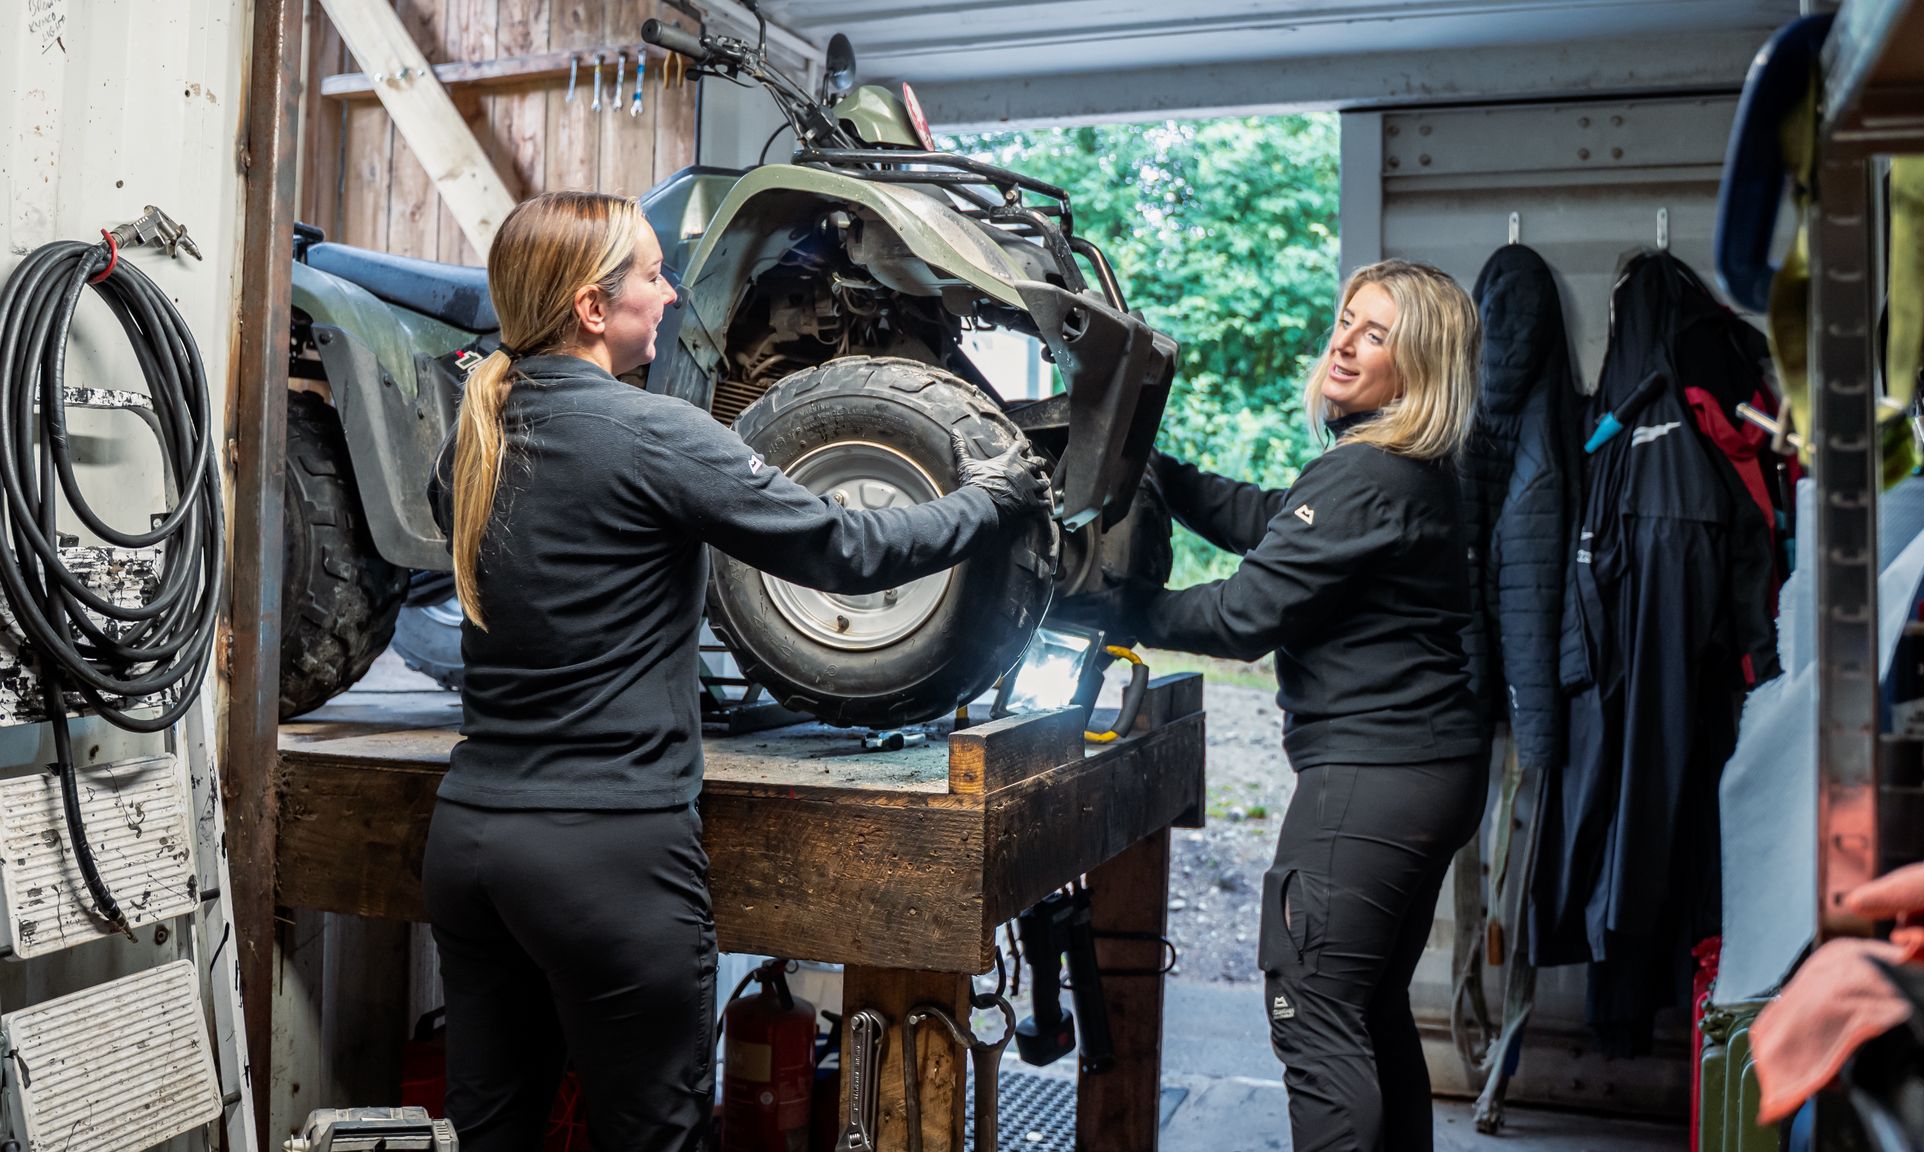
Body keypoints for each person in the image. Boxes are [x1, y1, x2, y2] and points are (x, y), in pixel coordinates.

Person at [420, 191, 1047, 1152]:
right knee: (658, 1139)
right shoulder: (653, 434)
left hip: (470, 847)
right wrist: (989, 501)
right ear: (593, 308)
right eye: (651, 274)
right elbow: (848, 548)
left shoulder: (479, 433)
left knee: (492, 1134)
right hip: (606, 856)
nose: (672, 295)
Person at [1110, 259, 1486, 1151]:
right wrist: (1154, 468)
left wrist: (1108, 611)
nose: (1346, 344)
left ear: (1421, 367)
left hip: (1373, 776)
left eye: (1378, 334)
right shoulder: (1394, 470)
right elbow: (1271, 517)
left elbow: (1244, 615)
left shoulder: (1372, 475)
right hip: (1426, 768)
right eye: (1348, 321)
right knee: (1365, 1007)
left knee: (1310, 1008)